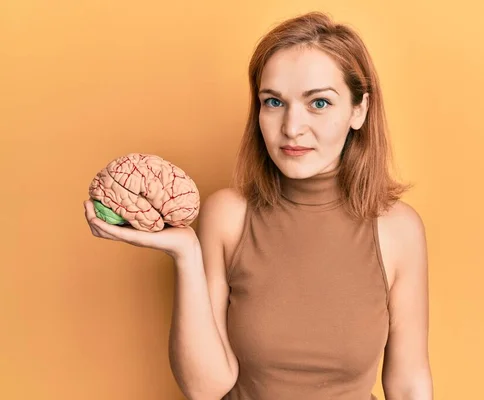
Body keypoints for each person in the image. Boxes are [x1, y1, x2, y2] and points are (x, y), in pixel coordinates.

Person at [83, 11, 432, 400]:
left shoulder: (398, 229)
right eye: (273, 102)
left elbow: (408, 381)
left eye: (318, 102)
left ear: (359, 110)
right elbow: (205, 388)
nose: (291, 127)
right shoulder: (228, 215)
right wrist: (185, 253)